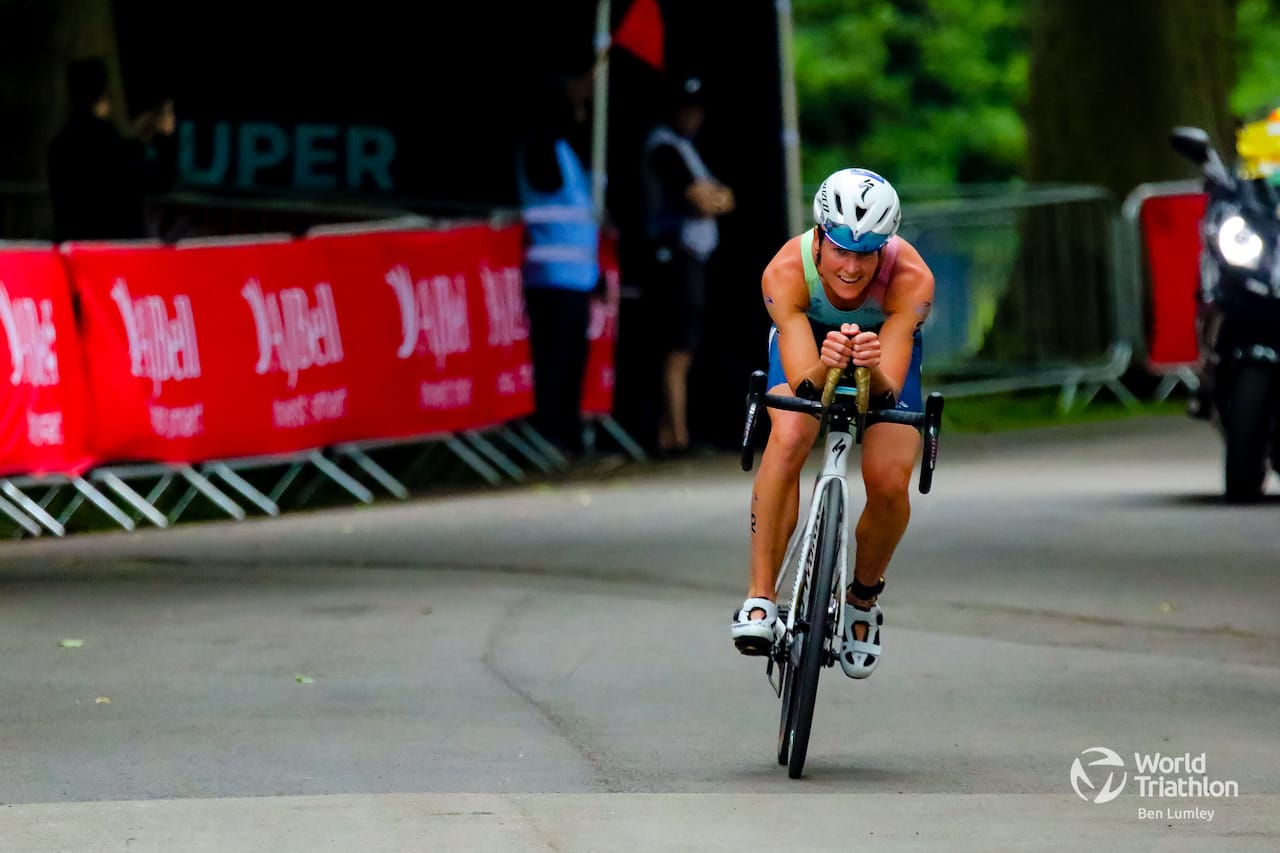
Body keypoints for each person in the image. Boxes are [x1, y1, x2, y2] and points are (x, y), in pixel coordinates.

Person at [730, 168, 935, 680]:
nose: (851, 267)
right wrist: (828, 363)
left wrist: (869, 367)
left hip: (881, 354)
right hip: (807, 352)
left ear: (884, 248)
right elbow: (804, 388)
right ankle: (761, 597)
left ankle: (863, 597)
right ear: (819, 237)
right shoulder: (785, 271)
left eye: (866, 254)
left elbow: (887, 387)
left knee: (889, 479)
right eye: (840, 249)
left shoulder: (912, 279)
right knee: (793, 433)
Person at [639, 76, 735, 456]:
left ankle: (674, 431)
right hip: (673, 256)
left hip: (691, 257)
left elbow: (726, 198)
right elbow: (704, 200)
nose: (693, 117)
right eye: (686, 109)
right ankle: (674, 436)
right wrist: (713, 197)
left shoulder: (684, 148)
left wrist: (715, 197)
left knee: (685, 347)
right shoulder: (664, 149)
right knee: (676, 349)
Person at [515, 68, 600, 455]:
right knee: (553, 363)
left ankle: (566, 434)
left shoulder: (565, 151)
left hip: (576, 278)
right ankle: (550, 435)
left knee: (571, 363)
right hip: (550, 278)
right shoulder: (543, 146)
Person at [47, 57, 176, 242]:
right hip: (114, 253)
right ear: (103, 94)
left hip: (75, 252)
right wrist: (164, 137)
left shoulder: (60, 144)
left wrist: (137, 141)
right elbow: (159, 180)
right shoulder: (108, 141)